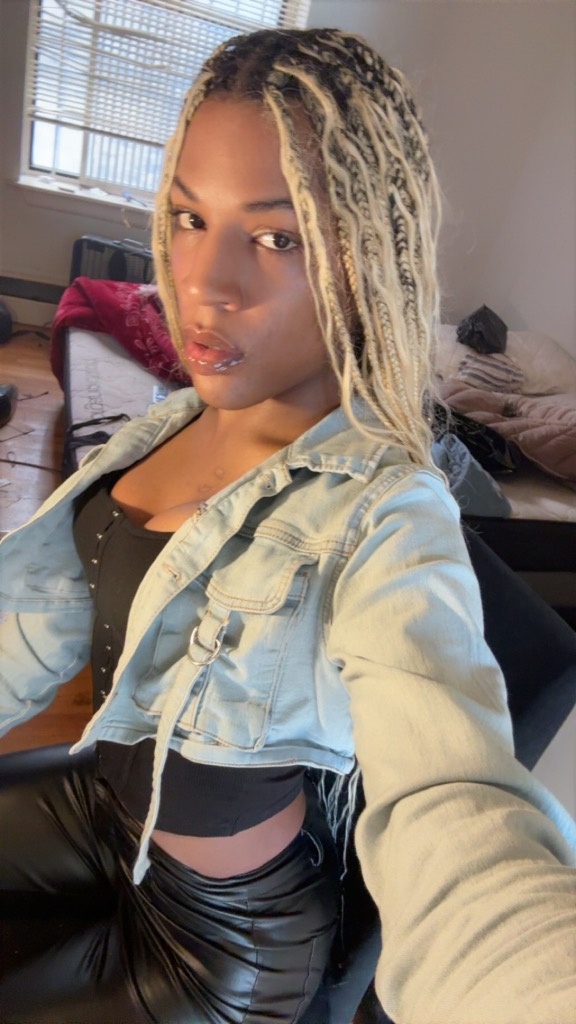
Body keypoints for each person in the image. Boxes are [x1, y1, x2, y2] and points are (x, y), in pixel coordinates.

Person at [0, 26, 574, 1024]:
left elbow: (454, 799)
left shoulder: (386, 512)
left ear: (366, 259)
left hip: (221, 940)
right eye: (190, 217)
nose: (203, 283)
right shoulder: (162, 426)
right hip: (106, 803)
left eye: (279, 237)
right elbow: (31, 624)